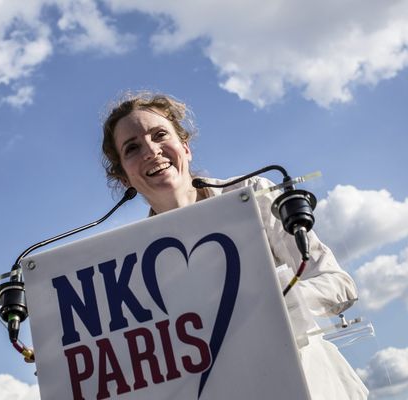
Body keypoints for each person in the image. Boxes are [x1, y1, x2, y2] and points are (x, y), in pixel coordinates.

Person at [101, 91, 369, 399]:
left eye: (160, 134)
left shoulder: (252, 193)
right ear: (124, 178)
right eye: (132, 148)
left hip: (309, 384)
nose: (150, 149)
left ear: (185, 148)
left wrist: (270, 303)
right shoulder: (129, 260)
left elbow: (338, 283)